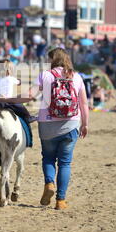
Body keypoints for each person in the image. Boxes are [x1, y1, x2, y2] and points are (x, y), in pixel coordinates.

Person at [37, 48, 89, 210]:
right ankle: (61, 201)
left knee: (48, 158)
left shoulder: (45, 75)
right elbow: (84, 103)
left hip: (47, 124)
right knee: (65, 163)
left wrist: (12, 100)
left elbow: (31, 94)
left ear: (52, 60)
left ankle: (49, 183)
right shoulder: (77, 77)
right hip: (71, 123)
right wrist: (85, 123)